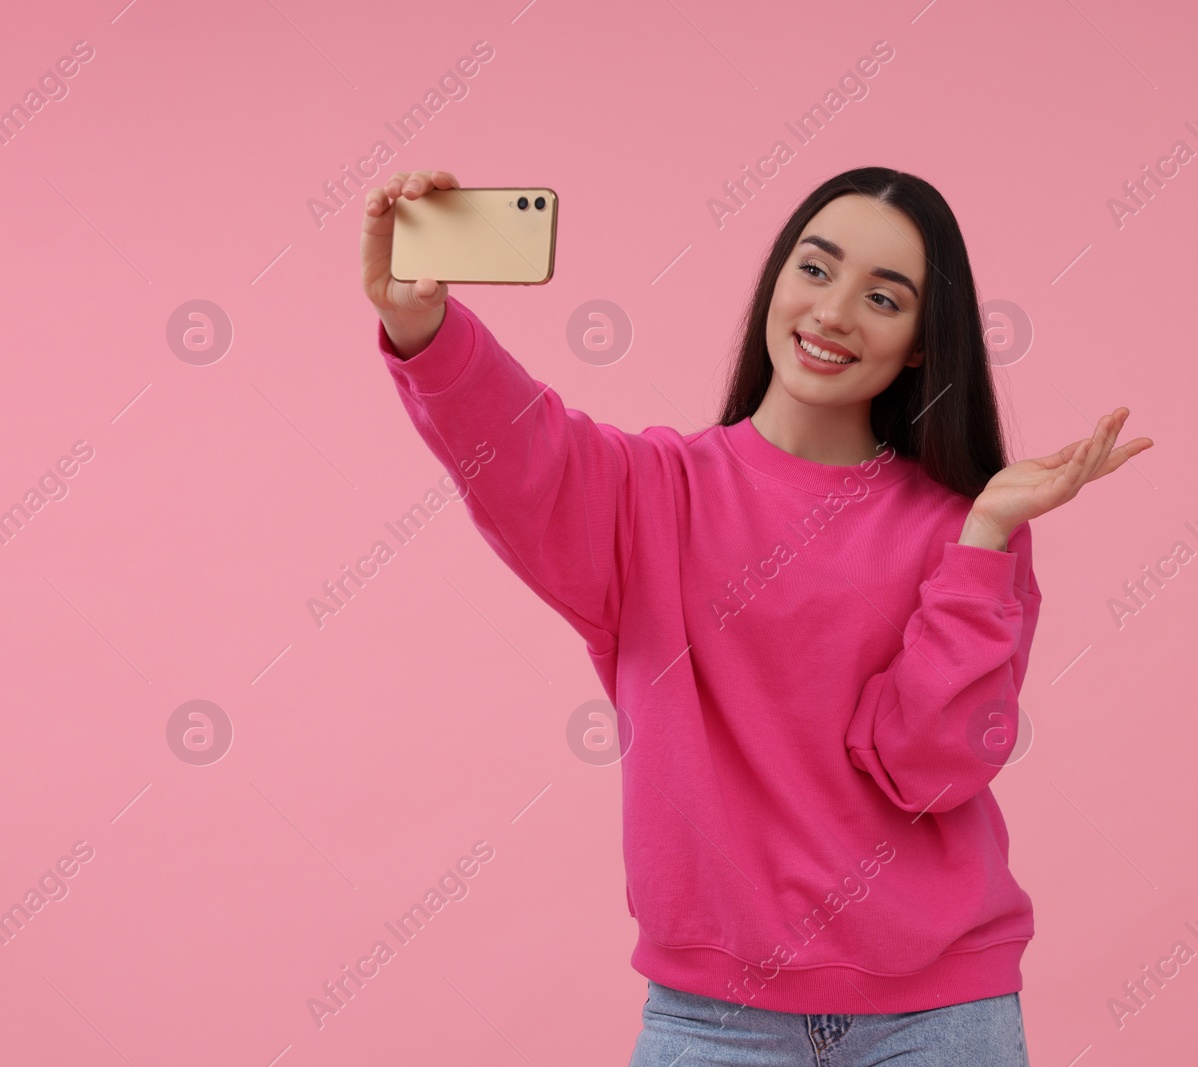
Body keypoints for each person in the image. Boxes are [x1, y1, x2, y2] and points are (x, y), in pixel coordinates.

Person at [361, 165, 1152, 1065]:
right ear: (776, 279)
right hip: (712, 1020)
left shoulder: (964, 529)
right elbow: (523, 450)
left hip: (941, 1018)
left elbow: (931, 769)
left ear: (925, 343)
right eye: (815, 270)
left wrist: (985, 535)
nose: (835, 312)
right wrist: (421, 327)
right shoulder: (651, 496)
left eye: (883, 297)